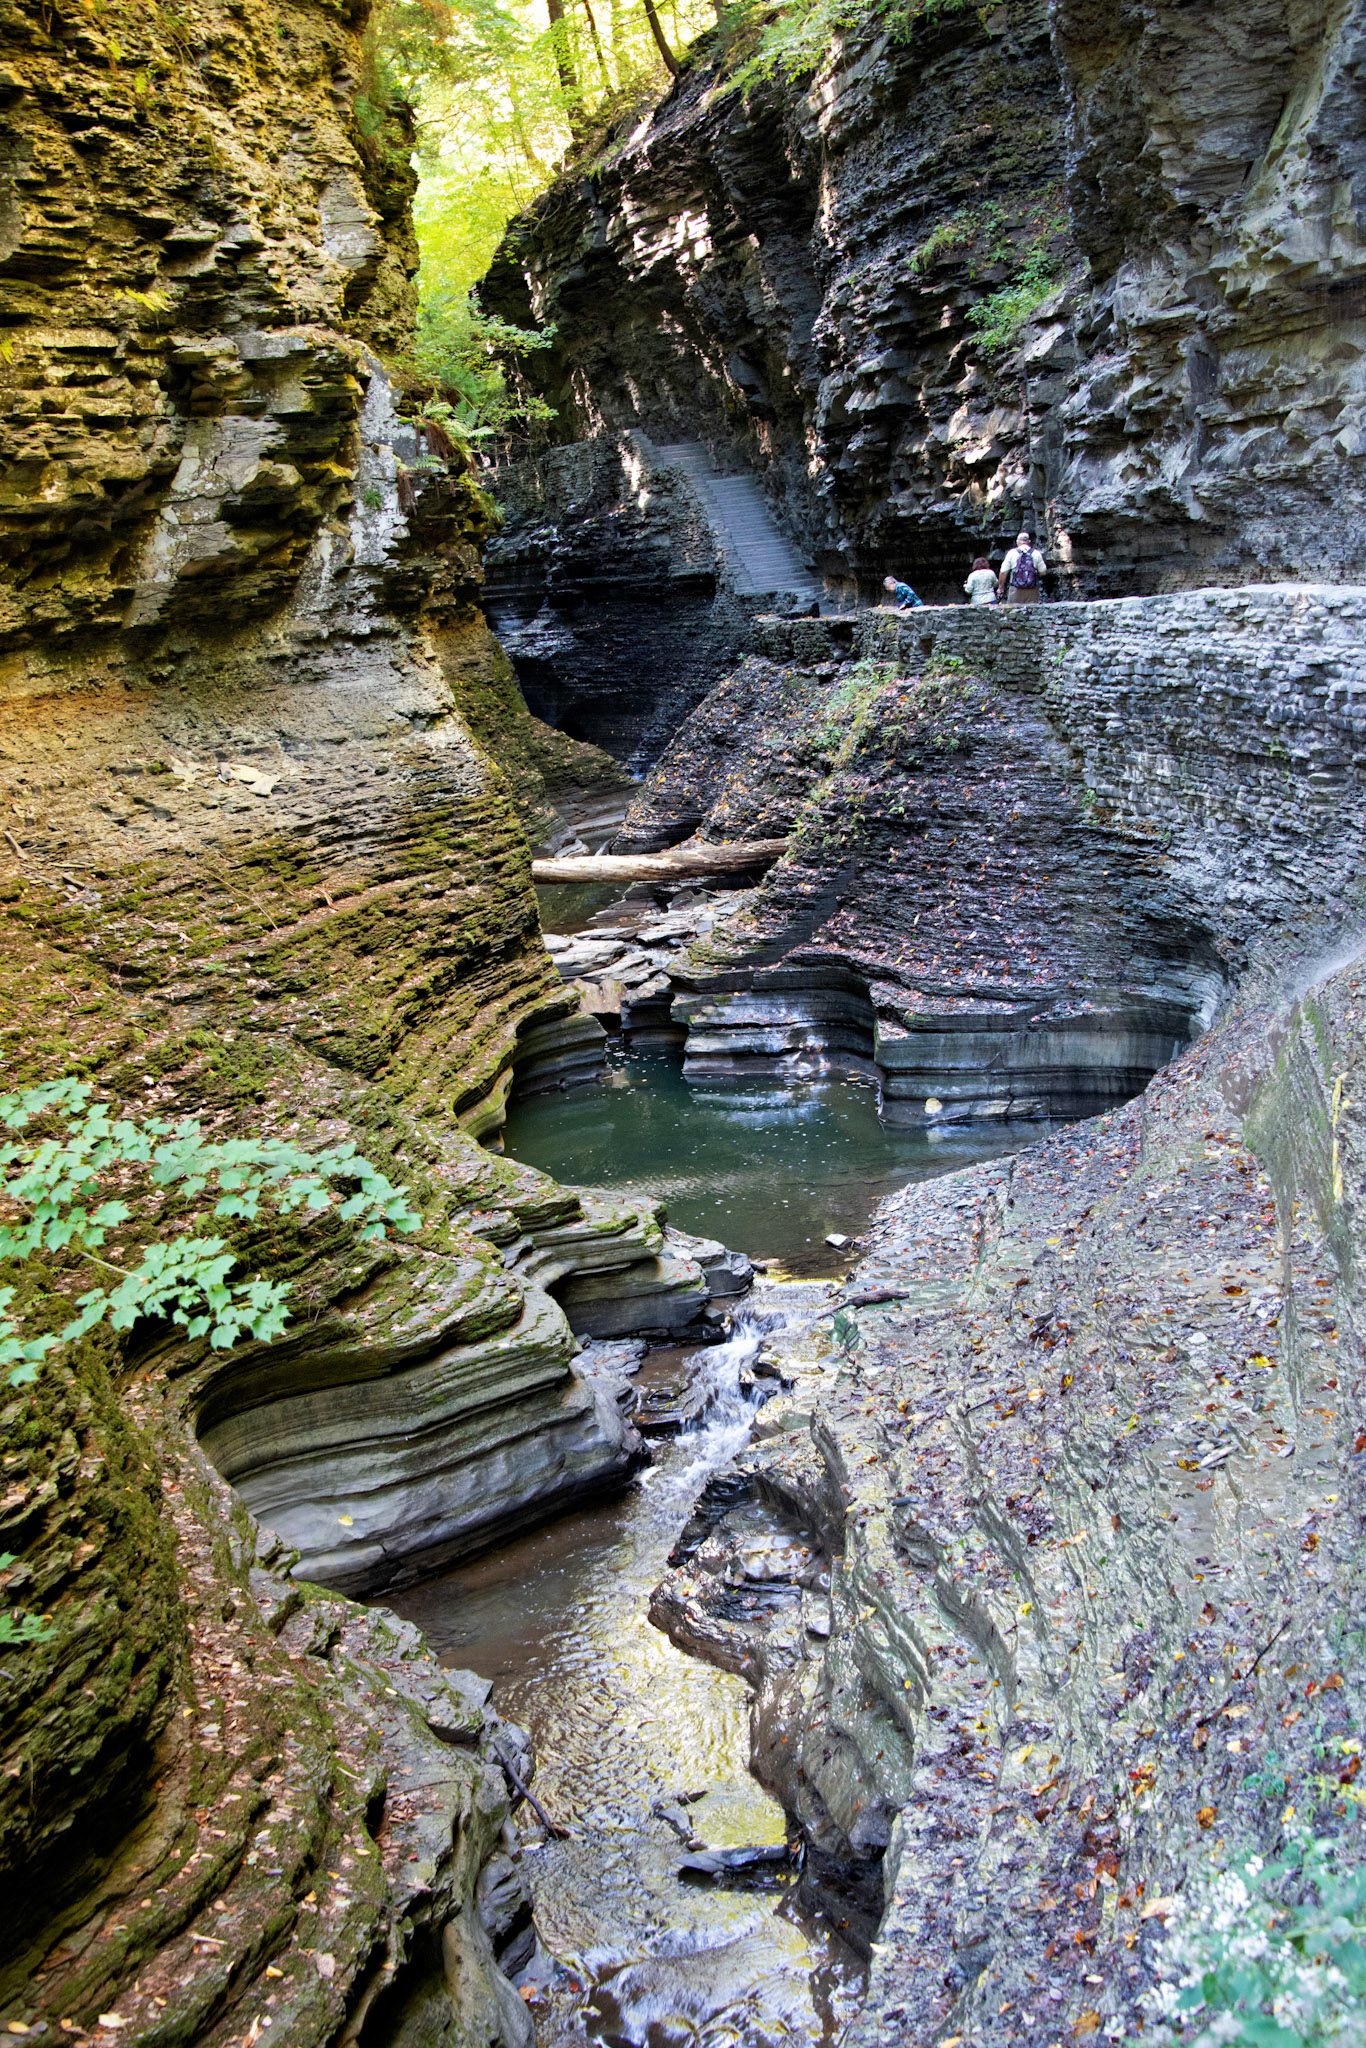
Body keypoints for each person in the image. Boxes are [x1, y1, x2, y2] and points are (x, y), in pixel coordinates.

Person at [998, 531, 1046, 605]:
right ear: (1029, 541)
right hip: (1032, 589)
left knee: (1013, 612)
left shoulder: (1012, 553)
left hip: (1016, 589)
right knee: (1032, 612)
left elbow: (1003, 572)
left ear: (1017, 542)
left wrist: (1001, 587)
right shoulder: (1036, 553)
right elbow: (1043, 572)